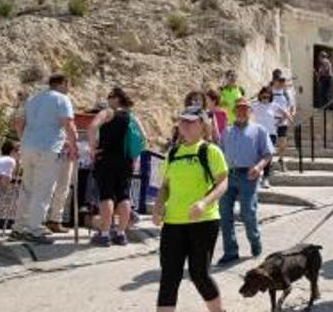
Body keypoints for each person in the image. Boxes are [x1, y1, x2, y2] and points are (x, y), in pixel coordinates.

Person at [152, 106, 229, 312]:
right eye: (181, 121)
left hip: (203, 221)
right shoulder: (173, 153)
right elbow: (165, 186)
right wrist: (159, 205)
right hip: (173, 222)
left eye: (189, 121)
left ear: (202, 125)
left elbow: (223, 183)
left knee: (199, 275)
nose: (183, 125)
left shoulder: (210, 151)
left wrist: (205, 202)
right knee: (169, 275)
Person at [11, 74, 78, 245]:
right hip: (48, 148)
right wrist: (74, 146)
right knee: (43, 190)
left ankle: (19, 227)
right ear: (63, 83)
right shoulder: (62, 99)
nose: (69, 88)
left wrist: (25, 140)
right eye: (68, 85)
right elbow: (68, 124)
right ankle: (35, 229)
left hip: (27, 147)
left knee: (27, 188)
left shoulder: (33, 99)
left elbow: (19, 122)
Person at [217, 98, 274, 265]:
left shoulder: (259, 130)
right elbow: (219, 154)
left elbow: (268, 154)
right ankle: (230, 251)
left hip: (249, 176)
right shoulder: (226, 132)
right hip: (228, 175)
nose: (242, 112)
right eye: (239, 109)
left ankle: (255, 241)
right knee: (225, 214)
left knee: (247, 212)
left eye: (245, 109)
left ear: (250, 112)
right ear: (234, 112)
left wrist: (259, 167)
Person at [87, 87, 146, 246]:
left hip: (106, 159)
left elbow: (92, 127)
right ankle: (121, 234)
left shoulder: (107, 112)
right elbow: (144, 137)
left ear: (117, 98)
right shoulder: (132, 117)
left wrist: (92, 149)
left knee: (106, 195)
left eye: (110, 96)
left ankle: (105, 234)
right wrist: (133, 156)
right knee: (124, 196)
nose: (107, 99)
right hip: (126, 161)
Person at [251, 86, 291, 189]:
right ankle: (258, 176)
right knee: (258, 156)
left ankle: (265, 179)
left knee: (268, 156)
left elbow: (286, 114)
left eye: (267, 96)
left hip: (271, 134)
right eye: (263, 96)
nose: (265, 98)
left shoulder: (274, 105)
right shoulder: (256, 105)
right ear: (260, 96)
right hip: (258, 134)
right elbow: (244, 109)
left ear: (270, 96)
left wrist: (281, 122)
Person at [271, 75, 296, 171]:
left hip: (283, 121)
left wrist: (291, 114)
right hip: (271, 121)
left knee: (283, 142)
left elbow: (292, 106)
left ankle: (281, 159)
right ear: (275, 81)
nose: (281, 83)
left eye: (283, 81)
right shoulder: (270, 92)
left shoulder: (287, 93)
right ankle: (270, 161)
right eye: (280, 81)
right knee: (270, 142)